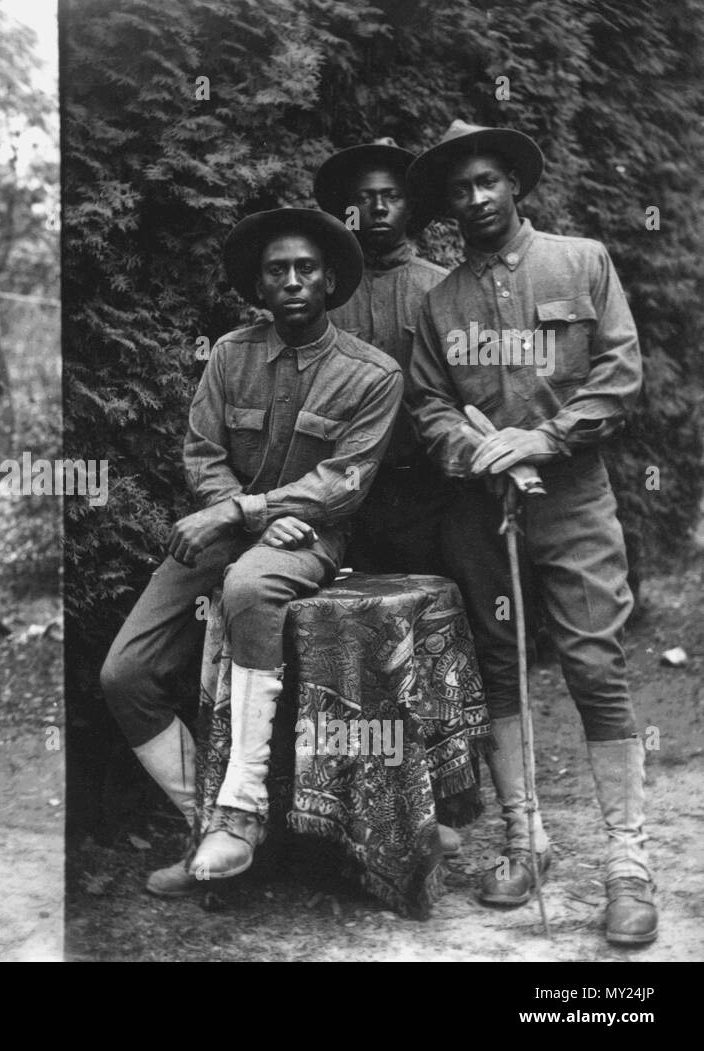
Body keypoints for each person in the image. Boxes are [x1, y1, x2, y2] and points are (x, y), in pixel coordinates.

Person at [99, 208, 402, 895]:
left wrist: (248, 513)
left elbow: (343, 482)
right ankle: (209, 824)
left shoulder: (373, 374)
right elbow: (203, 453)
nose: (292, 281)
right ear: (259, 286)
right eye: (277, 271)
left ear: (329, 281)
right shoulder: (230, 356)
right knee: (125, 674)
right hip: (232, 528)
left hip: (311, 535)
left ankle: (241, 809)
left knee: (248, 587)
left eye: (306, 269)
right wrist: (239, 511)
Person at [405, 120, 656, 945]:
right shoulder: (440, 301)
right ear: (448, 204)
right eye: (460, 189)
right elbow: (429, 404)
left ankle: (628, 861)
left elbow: (620, 373)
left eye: (488, 181)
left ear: (515, 182)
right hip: (482, 509)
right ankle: (525, 838)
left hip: (572, 499)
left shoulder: (581, 262)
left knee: (594, 661)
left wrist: (544, 438)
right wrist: (473, 447)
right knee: (498, 663)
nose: (476, 198)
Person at [314, 138, 464, 857]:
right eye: (363, 198)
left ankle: (446, 798)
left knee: (433, 644)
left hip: (429, 491)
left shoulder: (441, 288)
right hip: (350, 498)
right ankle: (366, 799)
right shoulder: (327, 295)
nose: (376, 209)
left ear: (412, 206)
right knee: (360, 650)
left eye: (391, 196)